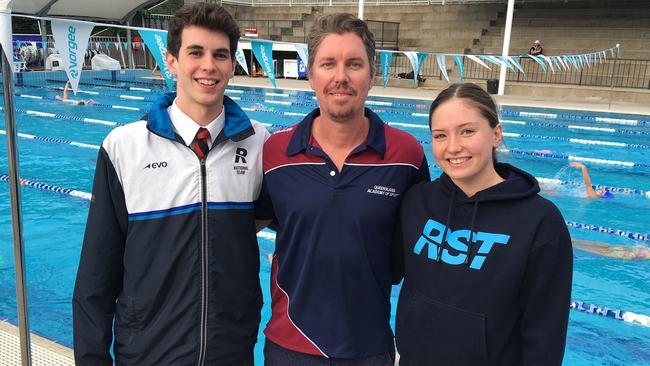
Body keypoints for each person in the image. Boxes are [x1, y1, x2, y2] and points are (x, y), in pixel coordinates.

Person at [72, 3, 268, 365]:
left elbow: (264, 223)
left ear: (231, 64)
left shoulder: (258, 143)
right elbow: (96, 276)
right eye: (196, 52)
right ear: (172, 61)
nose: (209, 66)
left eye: (220, 55)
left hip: (230, 352)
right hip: (149, 353)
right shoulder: (124, 147)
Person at [255, 13, 430, 366]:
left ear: (372, 73)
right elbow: (243, 229)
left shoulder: (406, 155)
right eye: (328, 64)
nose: (340, 77)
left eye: (354, 64)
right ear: (310, 74)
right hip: (290, 345)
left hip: (369, 346)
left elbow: (420, 251)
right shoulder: (276, 152)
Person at [395, 83, 573, 365]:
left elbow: (545, 334)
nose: (453, 147)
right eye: (441, 135)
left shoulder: (540, 221)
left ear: (496, 134)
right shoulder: (417, 201)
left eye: (467, 131)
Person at [573, 239, 649, 260]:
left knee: (604, 246)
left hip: (625, 249)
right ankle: (573, 244)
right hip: (625, 254)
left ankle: (573, 240)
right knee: (597, 250)